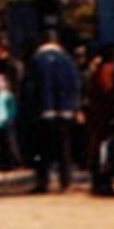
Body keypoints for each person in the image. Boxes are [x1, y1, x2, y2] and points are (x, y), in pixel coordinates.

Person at [24, 26, 80, 192]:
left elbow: (30, 88)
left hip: (42, 110)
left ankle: (43, 181)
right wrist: (74, 106)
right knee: (65, 147)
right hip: (65, 110)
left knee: (42, 148)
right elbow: (75, 84)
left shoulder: (36, 60)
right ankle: (66, 181)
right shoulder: (67, 60)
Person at [83, 45, 114, 196]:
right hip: (105, 117)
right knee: (105, 150)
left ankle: (102, 181)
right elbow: (108, 94)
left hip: (100, 116)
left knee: (102, 149)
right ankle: (103, 182)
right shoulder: (107, 72)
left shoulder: (100, 71)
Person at [0, 72, 18, 169]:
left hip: (5, 123)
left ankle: (12, 163)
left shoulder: (8, 96)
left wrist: (9, 118)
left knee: (9, 144)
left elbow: (12, 109)